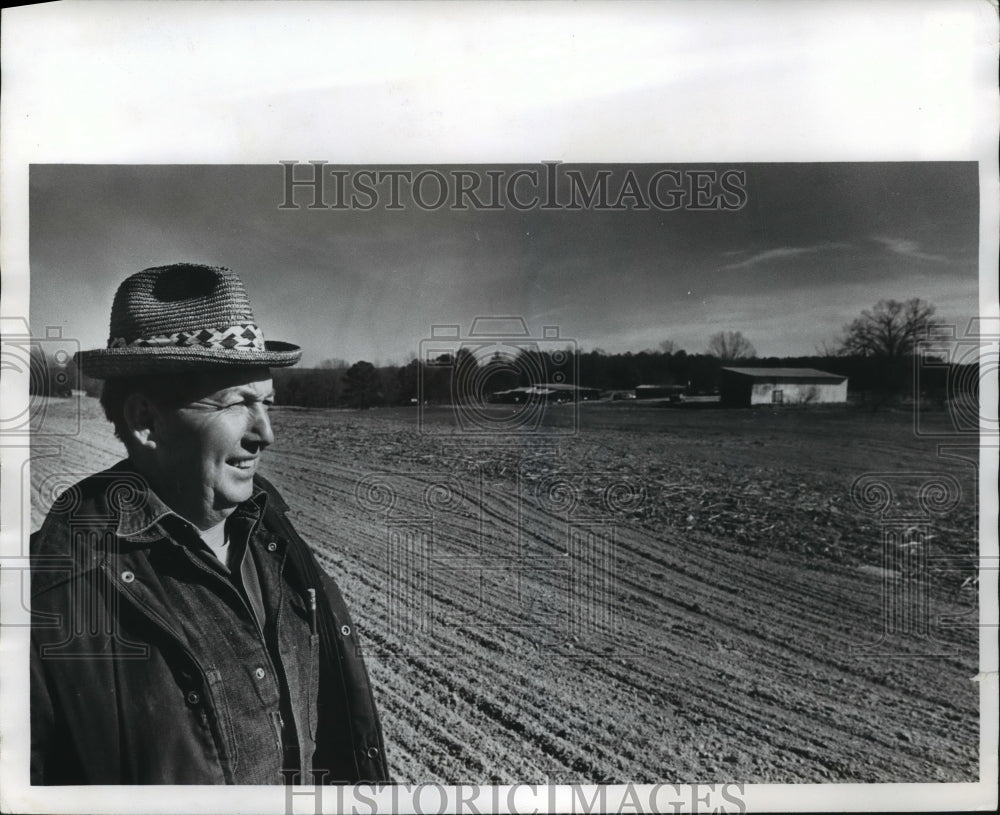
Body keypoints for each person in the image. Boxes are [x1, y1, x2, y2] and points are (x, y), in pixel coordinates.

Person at [30, 263, 388, 785]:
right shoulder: (49, 597)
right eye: (238, 404)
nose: (265, 434)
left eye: (266, 403)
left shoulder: (278, 542)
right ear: (145, 421)